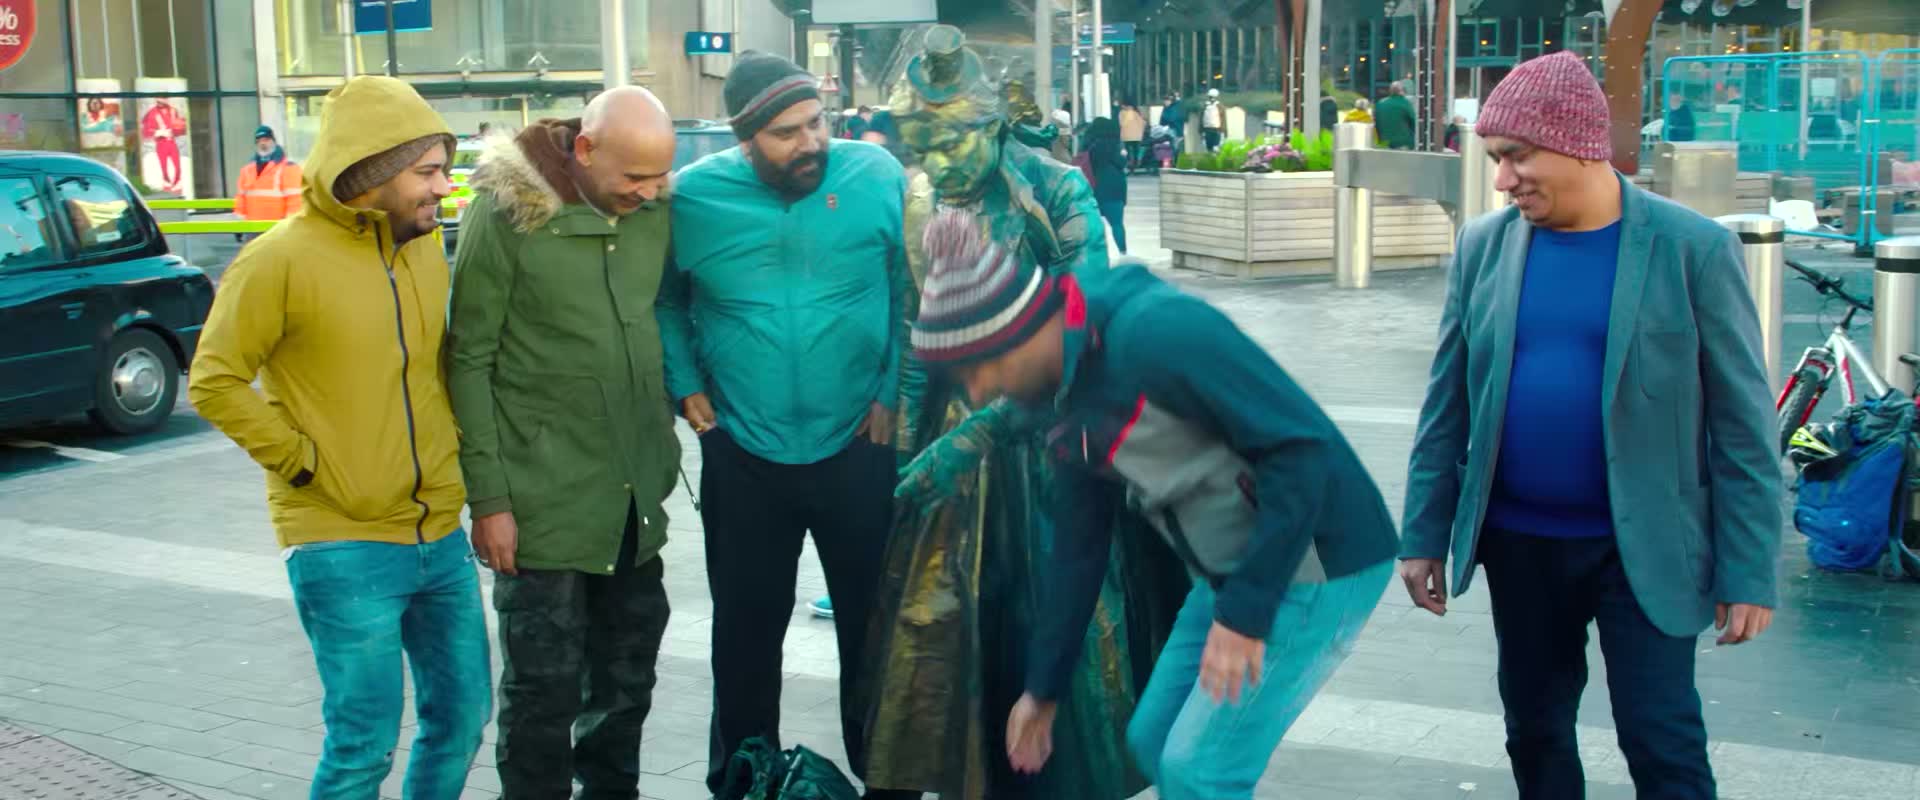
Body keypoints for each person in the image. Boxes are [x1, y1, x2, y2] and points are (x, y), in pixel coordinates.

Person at [904, 214, 1398, 799]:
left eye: (975, 370)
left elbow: (1299, 452)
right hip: (1234, 567)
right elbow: (1078, 548)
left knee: (1199, 769)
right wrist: (1043, 689)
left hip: (1319, 560)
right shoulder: (1063, 396)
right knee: (1151, 740)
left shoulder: (1156, 333)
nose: (978, 393)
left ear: (1013, 331)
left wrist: (1246, 614)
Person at [1398, 51, 1780, 800]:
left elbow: (1744, 428)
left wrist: (1749, 571)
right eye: (1496, 159)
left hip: (1648, 546)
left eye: (1516, 156)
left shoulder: (1694, 249)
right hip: (1519, 543)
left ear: (1577, 144)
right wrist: (1423, 533)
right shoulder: (1483, 246)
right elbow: (1446, 405)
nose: (1503, 179)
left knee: (1660, 739)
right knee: (1534, 731)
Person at [869, 27, 1186, 800]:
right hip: (956, 457)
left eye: (951, 144)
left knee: (1063, 618)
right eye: (922, 148)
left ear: (992, 123)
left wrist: (971, 438)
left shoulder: (1054, 191)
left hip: (1050, 447)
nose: (938, 165)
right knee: (950, 634)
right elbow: (916, 331)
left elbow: (1079, 335)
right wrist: (908, 443)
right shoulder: (920, 199)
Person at [187, 75, 487, 799]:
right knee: (363, 748)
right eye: (427, 172)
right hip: (340, 538)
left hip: (438, 531)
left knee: (462, 721)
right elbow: (214, 379)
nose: (443, 187)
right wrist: (303, 463)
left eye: (444, 169)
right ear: (371, 171)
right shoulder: (277, 260)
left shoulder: (422, 249)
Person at [655, 51, 914, 800]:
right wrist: (684, 384)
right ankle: (742, 782)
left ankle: (891, 783)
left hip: (860, 444)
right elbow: (665, 300)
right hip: (743, 451)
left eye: (817, 122)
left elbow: (911, 287)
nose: (811, 142)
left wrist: (895, 390)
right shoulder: (693, 198)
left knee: (876, 632)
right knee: (744, 635)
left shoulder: (877, 176)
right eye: (787, 133)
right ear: (745, 138)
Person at [446, 86, 680, 799]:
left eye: (660, 176)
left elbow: (665, 311)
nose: (649, 192)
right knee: (541, 698)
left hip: (632, 508)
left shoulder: (652, 211)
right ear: (584, 149)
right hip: (540, 508)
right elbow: (468, 359)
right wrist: (489, 501)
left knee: (627, 685)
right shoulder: (505, 214)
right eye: (634, 177)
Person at [234, 125, 304, 222]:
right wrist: (239, 219)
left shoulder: (288, 167)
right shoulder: (247, 169)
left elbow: (295, 199)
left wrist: (290, 223)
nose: (262, 143)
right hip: (252, 225)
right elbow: (241, 197)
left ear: (273, 141)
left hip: (277, 226)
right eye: (259, 141)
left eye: (266, 140)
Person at [1084, 116, 1130, 254]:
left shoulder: (1088, 144)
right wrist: (1123, 155)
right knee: (1117, 224)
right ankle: (1123, 252)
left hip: (1092, 188)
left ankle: (1096, 254)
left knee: (1093, 226)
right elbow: (1121, 163)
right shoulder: (1115, 144)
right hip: (1114, 189)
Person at [1375, 81, 1417, 150]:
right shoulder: (1405, 103)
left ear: (1390, 91)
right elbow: (1414, 122)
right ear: (1402, 91)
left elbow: (1377, 123)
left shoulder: (1380, 103)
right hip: (1402, 143)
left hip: (1384, 143)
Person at [1118, 101, 1147, 172]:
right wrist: (1141, 131)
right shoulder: (1136, 113)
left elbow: (1122, 123)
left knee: (1128, 151)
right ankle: (1135, 164)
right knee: (1136, 151)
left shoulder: (1122, 113)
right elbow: (1143, 123)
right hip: (1137, 136)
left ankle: (1129, 164)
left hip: (1127, 136)